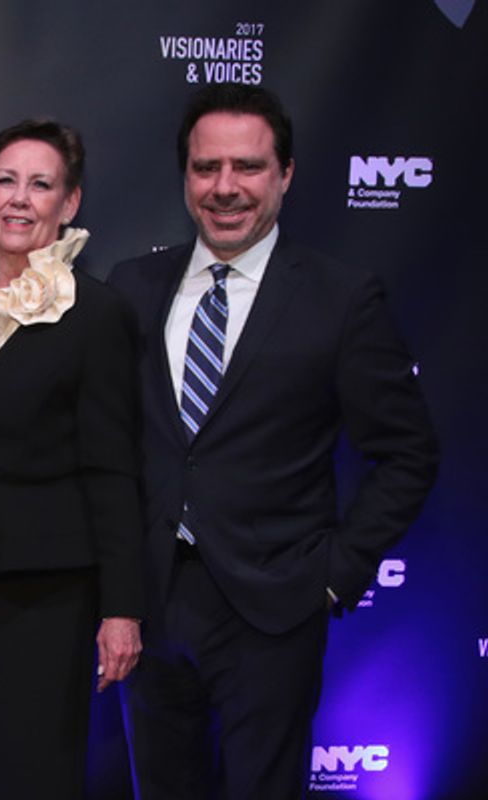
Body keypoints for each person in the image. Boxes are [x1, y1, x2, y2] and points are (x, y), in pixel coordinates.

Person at [108, 83, 440, 799]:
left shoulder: (341, 299)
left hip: (274, 610)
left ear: (285, 174)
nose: (225, 187)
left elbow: (410, 452)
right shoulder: (133, 287)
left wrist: (336, 572)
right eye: (206, 168)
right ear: (185, 175)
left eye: (248, 167)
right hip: (152, 607)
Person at [0, 119, 144, 798]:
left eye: (41, 185)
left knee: (40, 769)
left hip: (53, 584)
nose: (20, 199)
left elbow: (114, 467)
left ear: (70, 203)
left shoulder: (96, 313)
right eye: (6, 181)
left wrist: (122, 608)